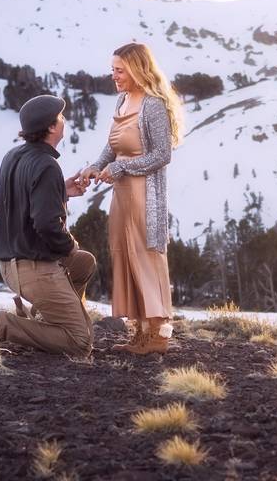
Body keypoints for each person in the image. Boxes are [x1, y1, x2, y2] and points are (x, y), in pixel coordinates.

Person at [79, 43, 183, 355]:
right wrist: (95, 166)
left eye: (120, 70)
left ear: (137, 69)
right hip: (121, 195)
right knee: (125, 256)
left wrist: (122, 166)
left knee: (147, 257)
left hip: (144, 194)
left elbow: (162, 155)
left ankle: (159, 334)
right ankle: (139, 332)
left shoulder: (153, 105)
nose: (114, 76)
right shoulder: (123, 100)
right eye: (113, 70)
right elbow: (113, 146)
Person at [0, 94, 97, 356]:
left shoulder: (13, 155)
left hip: (9, 266)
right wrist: (69, 244)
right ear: (52, 128)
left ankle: (46, 319)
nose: (64, 120)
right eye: (61, 117)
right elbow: (46, 225)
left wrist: (60, 191)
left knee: (84, 262)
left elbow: (24, 198)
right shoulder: (47, 165)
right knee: (80, 342)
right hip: (33, 269)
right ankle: (1, 324)